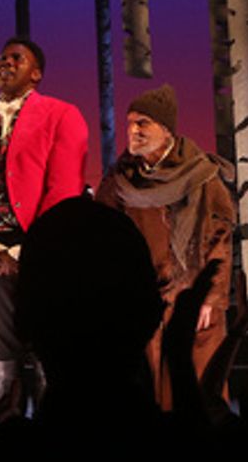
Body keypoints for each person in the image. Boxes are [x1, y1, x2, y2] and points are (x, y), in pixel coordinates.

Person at [0, 36, 88, 399]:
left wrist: (29, 249)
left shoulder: (62, 115)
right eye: (3, 57)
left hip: (43, 248)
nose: (6, 62)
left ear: (36, 73)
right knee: (1, 344)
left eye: (17, 58)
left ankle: (50, 428)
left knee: (47, 339)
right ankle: (5, 427)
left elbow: (64, 188)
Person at [96, 84, 236, 409]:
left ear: (166, 128)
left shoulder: (201, 176)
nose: (134, 130)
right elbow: (102, 233)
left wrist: (210, 298)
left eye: (143, 122)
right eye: (130, 122)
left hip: (191, 298)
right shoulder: (120, 180)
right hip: (140, 300)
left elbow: (219, 240)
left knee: (196, 392)